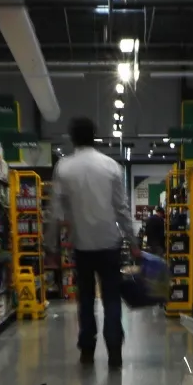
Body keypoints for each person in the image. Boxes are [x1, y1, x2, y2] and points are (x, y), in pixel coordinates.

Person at [49, 118, 138, 367]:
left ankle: (87, 349)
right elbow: (121, 209)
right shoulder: (111, 166)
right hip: (110, 244)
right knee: (111, 299)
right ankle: (114, 352)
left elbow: (55, 212)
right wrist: (133, 240)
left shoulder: (64, 168)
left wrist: (52, 247)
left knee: (85, 300)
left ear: (72, 138)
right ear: (94, 136)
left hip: (82, 246)